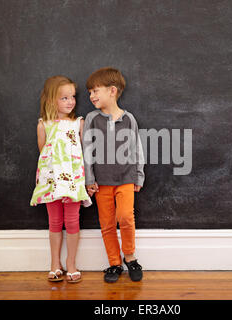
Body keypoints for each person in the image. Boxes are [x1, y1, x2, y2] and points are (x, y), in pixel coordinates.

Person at [83, 67, 145, 283]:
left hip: (126, 179)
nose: (91, 96)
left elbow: (137, 148)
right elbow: (87, 150)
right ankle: (114, 263)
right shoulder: (92, 119)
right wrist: (89, 179)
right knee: (107, 223)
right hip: (102, 182)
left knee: (126, 218)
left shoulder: (129, 119)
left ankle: (130, 257)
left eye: (95, 91)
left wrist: (139, 175)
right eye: (89, 92)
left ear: (112, 90)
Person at [30, 75, 92, 283]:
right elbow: (44, 154)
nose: (71, 101)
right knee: (55, 221)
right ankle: (54, 264)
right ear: (51, 100)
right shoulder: (43, 125)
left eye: (72, 97)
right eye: (64, 98)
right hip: (51, 182)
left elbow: (85, 152)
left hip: (73, 181)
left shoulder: (78, 123)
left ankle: (71, 263)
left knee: (73, 221)